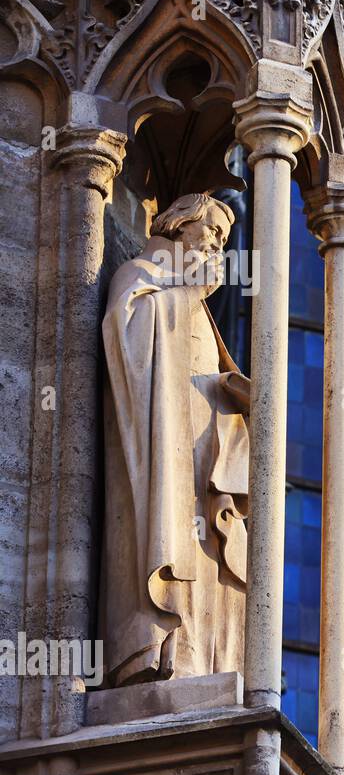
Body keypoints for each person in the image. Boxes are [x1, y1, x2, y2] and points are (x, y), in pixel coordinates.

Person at [100, 192, 251, 687]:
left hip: (202, 451)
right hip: (160, 448)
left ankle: (196, 664)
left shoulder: (190, 297)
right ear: (177, 227)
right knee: (171, 538)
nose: (216, 246)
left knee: (209, 552)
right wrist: (188, 293)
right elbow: (128, 338)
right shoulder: (141, 276)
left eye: (224, 240)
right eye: (210, 232)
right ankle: (157, 653)